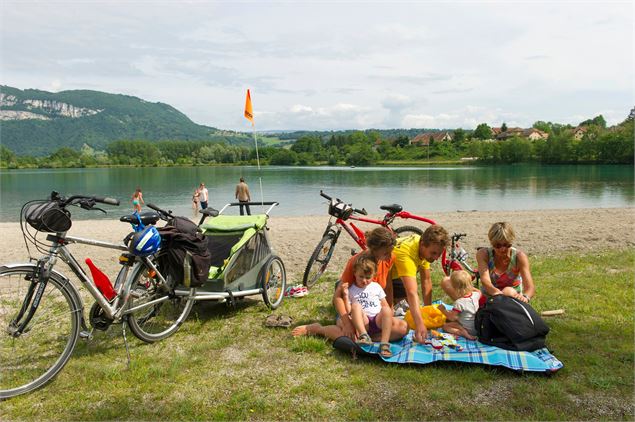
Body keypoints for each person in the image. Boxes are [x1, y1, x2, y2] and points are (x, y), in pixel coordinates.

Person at [292, 227, 408, 344]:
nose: (390, 255)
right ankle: (318, 329)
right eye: (386, 253)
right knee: (349, 335)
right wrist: (347, 323)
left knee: (403, 328)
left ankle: (366, 338)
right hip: (353, 310)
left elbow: (387, 285)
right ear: (374, 249)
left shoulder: (389, 258)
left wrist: (389, 309)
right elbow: (338, 296)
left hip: (374, 313)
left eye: (390, 252)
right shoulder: (357, 262)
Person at [388, 224, 450, 344]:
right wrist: (420, 324)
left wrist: (427, 313)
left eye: (439, 254)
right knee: (395, 317)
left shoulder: (422, 244)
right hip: (376, 280)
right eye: (433, 253)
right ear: (423, 245)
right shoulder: (406, 253)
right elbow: (411, 292)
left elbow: (426, 281)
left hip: (394, 278)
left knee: (411, 309)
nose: (436, 258)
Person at [344, 255, 395, 357]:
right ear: (355, 274)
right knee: (356, 306)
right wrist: (345, 296)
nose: (364, 281)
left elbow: (384, 304)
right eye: (361, 277)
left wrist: (389, 315)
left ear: (374, 276)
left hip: (377, 320)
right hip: (363, 321)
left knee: (386, 309)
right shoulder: (351, 289)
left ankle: (384, 344)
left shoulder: (376, 287)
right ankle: (364, 335)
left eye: (368, 278)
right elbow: (349, 310)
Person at [474, 221, 535, 303]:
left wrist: (525, 297)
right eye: (497, 245)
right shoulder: (484, 254)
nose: (502, 249)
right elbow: (485, 281)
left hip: (513, 296)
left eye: (507, 245)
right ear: (491, 242)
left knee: (508, 291)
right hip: (490, 294)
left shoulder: (519, 257)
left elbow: (529, 287)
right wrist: (497, 294)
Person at [437, 270, 481, 340]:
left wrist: (443, 310)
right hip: (477, 327)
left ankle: (462, 333)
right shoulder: (476, 295)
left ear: (455, 288)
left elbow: (452, 318)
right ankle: (464, 331)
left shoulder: (459, 302)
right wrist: (468, 286)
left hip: (467, 329)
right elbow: (479, 291)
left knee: (445, 326)